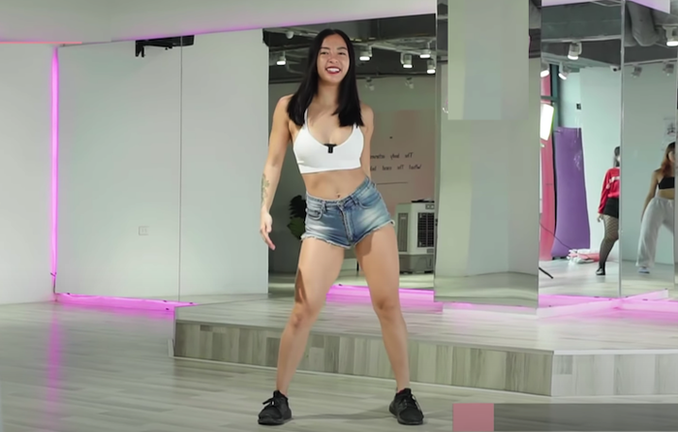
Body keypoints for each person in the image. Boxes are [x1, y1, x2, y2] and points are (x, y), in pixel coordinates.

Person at [256, 29, 425, 426]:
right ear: (314, 58)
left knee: (388, 305)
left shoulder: (363, 113)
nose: (334, 58)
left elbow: (365, 168)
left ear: (350, 61)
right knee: (303, 309)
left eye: (342, 53)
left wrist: (371, 219)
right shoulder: (289, 108)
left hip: (367, 210)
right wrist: (263, 208)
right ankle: (280, 398)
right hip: (321, 218)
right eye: (326, 52)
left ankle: (403, 394)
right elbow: (274, 162)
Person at [637, 142, 675, 273]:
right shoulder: (658, 173)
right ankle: (644, 264)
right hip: (658, 204)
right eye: (673, 153)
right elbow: (650, 194)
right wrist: (644, 211)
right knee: (648, 233)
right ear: (668, 154)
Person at [595, 146, 620, 276]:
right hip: (612, 204)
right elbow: (605, 191)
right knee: (610, 236)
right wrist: (600, 210)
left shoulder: (633, 171)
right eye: (620, 155)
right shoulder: (611, 172)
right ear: (617, 157)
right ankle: (601, 266)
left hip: (628, 204)